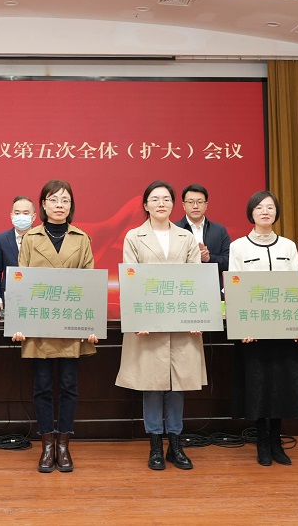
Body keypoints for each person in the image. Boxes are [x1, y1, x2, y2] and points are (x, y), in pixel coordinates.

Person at [116, 181, 206, 471]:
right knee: (151, 385)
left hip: (181, 322)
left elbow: (196, 280)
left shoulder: (186, 237)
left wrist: (198, 317)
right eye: (154, 199)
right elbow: (130, 278)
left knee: (178, 385)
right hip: (148, 323)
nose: (161, 203)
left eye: (166, 199)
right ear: (146, 205)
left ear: (173, 204)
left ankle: (176, 445)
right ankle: (155, 445)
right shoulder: (134, 236)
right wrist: (138, 317)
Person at [10, 180, 97, 473]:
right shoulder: (30, 238)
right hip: (39, 324)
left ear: (71, 206)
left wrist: (92, 325)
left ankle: (64, 445)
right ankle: (47, 444)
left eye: (65, 200)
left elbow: (89, 285)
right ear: (43, 205)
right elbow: (20, 283)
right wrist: (18, 323)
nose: (60, 205)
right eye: (53, 199)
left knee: (69, 386)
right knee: (43, 386)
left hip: (72, 326)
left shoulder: (82, 239)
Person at [228, 191, 298, 467]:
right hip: (253, 330)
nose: (265, 211)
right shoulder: (238, 247)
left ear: (276, 212)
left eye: (270, 207)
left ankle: (276, 442)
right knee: (258, 386)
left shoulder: (288, 246)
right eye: (259, 207)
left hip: (283, 329)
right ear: (251, 213)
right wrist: (243, 326)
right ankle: (261, 443)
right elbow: (233, 288)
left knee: (281, 386)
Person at [175, 184, 231, 287]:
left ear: (206, 205)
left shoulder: (219, 230)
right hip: (183, 286)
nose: (195, 206)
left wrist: (209, 258)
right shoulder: (175, 230)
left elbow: (229, 262)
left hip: (211, 286)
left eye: (200, 202)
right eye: (190, 202)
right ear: (183, 205)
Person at [0, 196, 36, 311]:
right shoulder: (1, 239)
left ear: (34, 216)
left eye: (26, 213)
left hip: (35, 295)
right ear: (11, 216)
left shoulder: (42, 239)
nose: (21, 216)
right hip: (8, 297)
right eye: (17, 213)